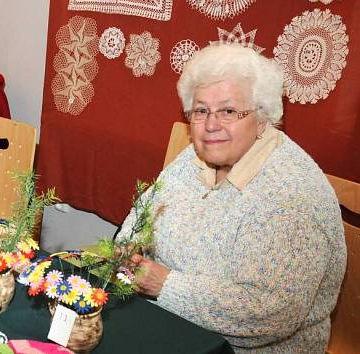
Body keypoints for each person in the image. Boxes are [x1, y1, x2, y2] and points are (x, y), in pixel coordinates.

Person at [117, 44, 346, 352]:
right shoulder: (197, 156)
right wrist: (127, 251)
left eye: (228, 111)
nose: (211, 125)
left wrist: (164, 284)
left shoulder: (292, 195)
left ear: (263, 116)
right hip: (174, 327)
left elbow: (268, 313)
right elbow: (141, 218)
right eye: (201, 111)